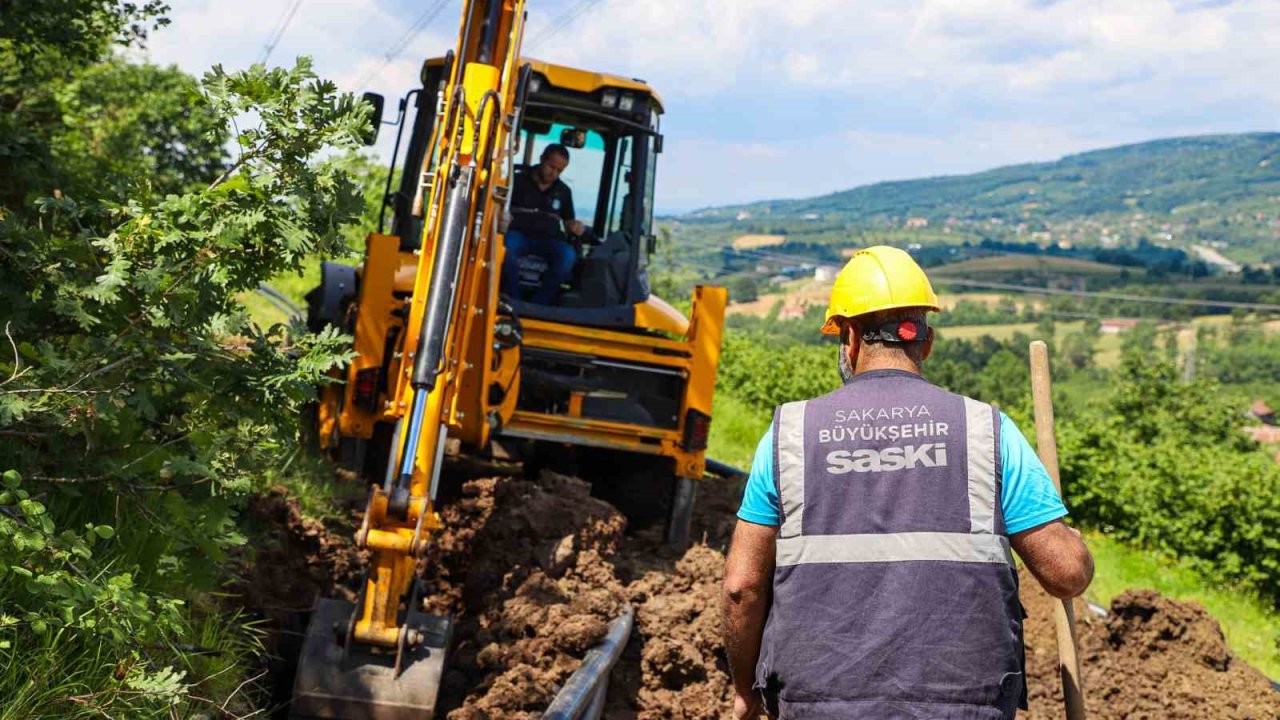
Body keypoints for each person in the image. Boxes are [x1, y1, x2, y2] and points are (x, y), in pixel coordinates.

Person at [720, 246, 1094, 720]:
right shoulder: (986, 430)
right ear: (927, 342)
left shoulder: (788, 435)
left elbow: (741, 587)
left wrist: (745, 690)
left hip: (818, 705)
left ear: (849, 337)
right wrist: (1074, 546)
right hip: (963, 707)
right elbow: (1065, 574)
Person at [501, 144, 586, 304]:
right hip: (518, 234)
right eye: (551, 166)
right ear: (542, 159)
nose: (553, 173)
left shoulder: (564, 191)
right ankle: (513, 300)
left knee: (567, 255)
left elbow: (568, 221)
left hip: (548, 240)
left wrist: (575, 226)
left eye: (559, 171)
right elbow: (500, 207)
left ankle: (539, 304)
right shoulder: (517, 180)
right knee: (506, 248)